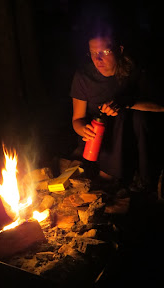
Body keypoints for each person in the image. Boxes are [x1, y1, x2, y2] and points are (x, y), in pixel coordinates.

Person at [70, 21, 164, 191]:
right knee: (109, 118)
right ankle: (108, 177)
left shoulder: (133, 71)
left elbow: (159, 107)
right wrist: (83, 130)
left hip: (132, 135)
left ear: (119, 50)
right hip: (99, 140)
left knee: (137, 116)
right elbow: (77, 119)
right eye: (93, 52)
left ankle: (144, 178)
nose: (98, 59)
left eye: (105, 52)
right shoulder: (84, 77)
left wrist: (125, 103)